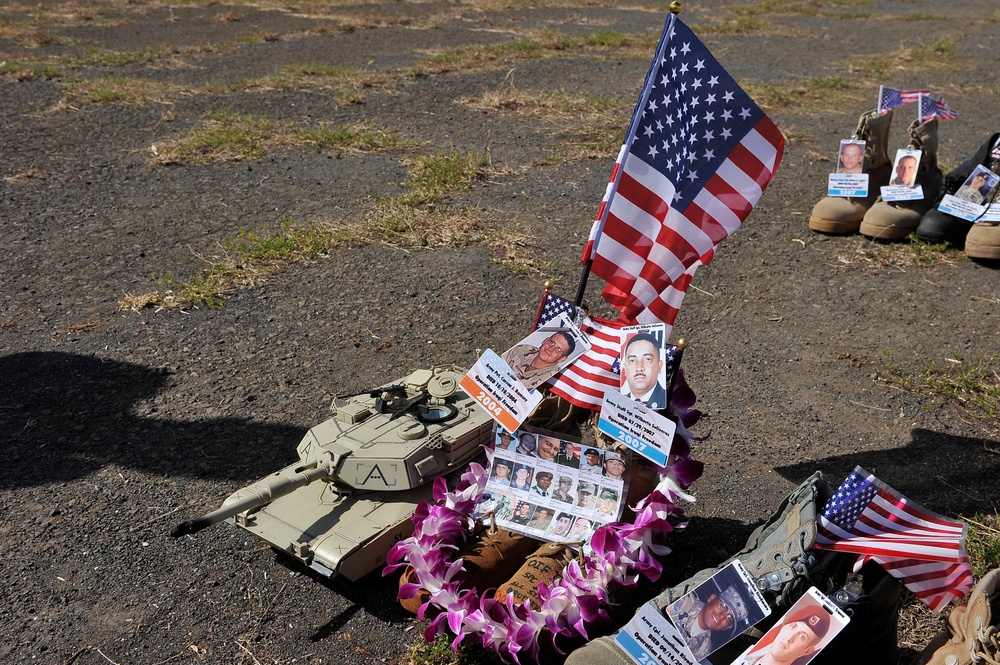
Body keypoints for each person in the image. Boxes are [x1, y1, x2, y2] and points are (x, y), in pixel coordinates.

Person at [668, 585, 750, 660]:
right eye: (723, 606)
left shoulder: (703, 650)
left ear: (727, 627)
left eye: (729, 618)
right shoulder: (682, 600)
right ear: (712, 598)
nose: (721, 616)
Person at [734, 604, 831, 665]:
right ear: (783, 627)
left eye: (802, 637)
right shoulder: (736, 652)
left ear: (806, 651)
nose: (790, 638)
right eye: (793, 627)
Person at [501, 330, 577, 390]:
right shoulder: (523, 349)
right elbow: (496, 364)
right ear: (545, 340)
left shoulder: (551, 380)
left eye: (558, 350)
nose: (550, 349)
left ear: (562, 359)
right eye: (552, 343)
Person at [621, 332, 667, 409]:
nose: (639, 368)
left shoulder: (669, 400)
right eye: (632, 361)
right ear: (625, 369)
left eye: (647, 359)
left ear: (659, 366)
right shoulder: (618, 404)